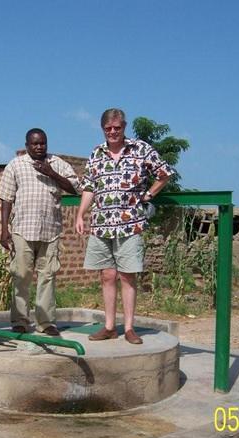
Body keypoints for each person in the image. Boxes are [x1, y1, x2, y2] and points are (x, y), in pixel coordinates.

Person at [76, 108, 175, 344]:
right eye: (108, 128)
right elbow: (89, 187)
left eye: (117, 128)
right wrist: (80, 214)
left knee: (128, 276)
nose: (113, 132)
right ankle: (109, 326)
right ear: (103, 129)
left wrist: (149, 194)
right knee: (107, 275)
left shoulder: (140, 149)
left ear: (124, 127)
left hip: (130, 223)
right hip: (101, 224)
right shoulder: (96, 154)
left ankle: (129, 328)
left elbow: (164, 173)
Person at [0, 128, 79, 336]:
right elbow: (6, 198)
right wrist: (4, 229)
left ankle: (46, 322)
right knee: (21, 275)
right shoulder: (16, 165)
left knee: (48, 276)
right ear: (27, 145)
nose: (39, 147)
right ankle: (20, 320)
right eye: (35, 144)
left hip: (50, 230)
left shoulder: (58, 163)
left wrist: (51, 173)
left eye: (42, 143)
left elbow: (75, 188)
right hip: (23, 229)